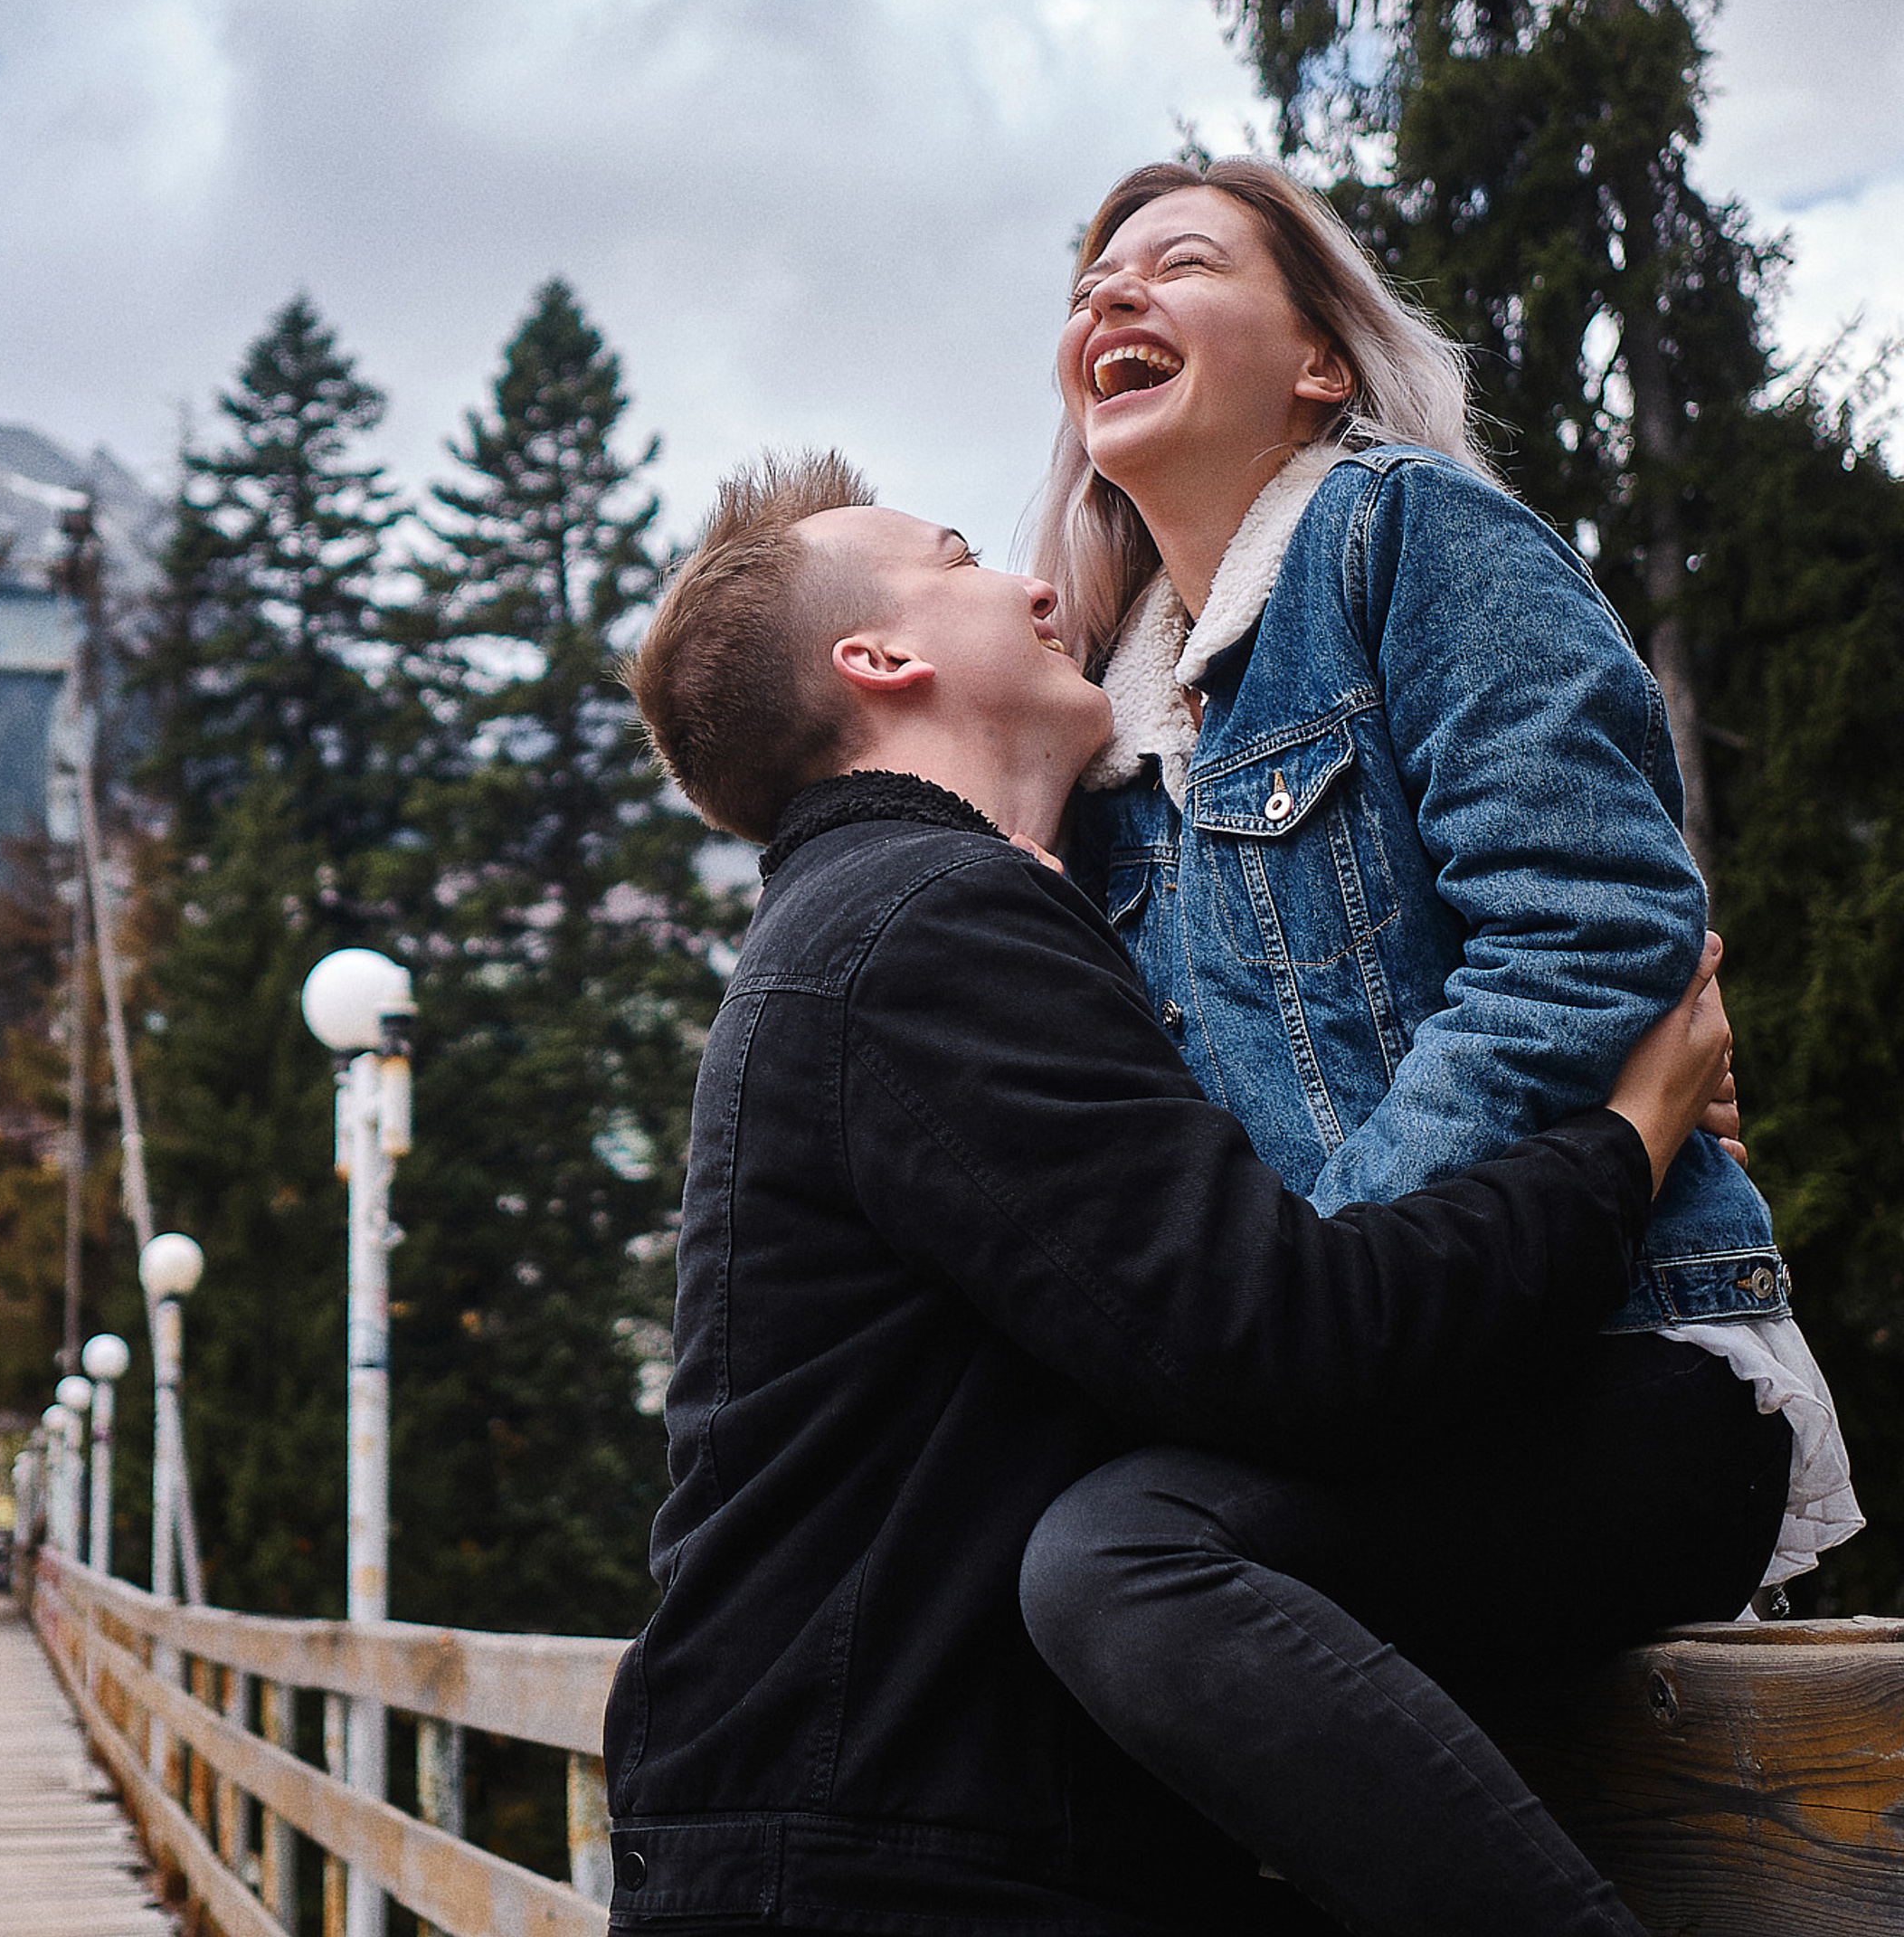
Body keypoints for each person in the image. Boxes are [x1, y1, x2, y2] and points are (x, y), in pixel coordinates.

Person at [608, 451, 1736, 1937]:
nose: (1024, 578)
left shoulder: (886, 926)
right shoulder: (929, 929)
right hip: (881, 1865)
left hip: (867, 1826)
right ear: (881, 660)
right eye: (954, 557)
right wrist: (1621, 1145)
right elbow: (1282, 1338)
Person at [1014, 156, 1855, 1922]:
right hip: (1362, 1403)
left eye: (1176, 263)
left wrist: (1329, 1290)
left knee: (1114, 1560)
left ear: (1319, 358)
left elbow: (1589, 926)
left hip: (1623, 1362)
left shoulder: (1404, 532)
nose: (1109, 297)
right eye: (1089, 284)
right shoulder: (1095, 747)